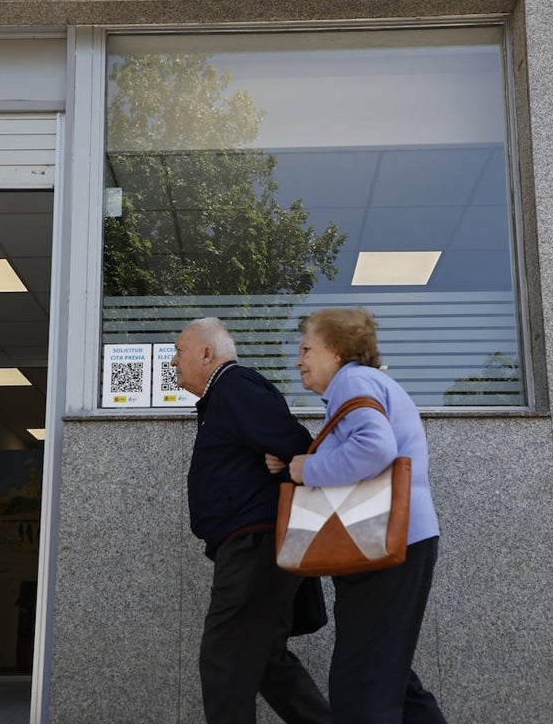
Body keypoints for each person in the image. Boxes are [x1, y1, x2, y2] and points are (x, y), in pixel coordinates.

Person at [267, 307, 446, 724]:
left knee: (361, 687)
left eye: (307, 348)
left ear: (337, 351)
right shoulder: (369, 384)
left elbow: (374, 448)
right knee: (391, 677)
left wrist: (303, 470)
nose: (299, 360)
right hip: (400, 540)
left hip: (384, 543)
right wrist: (300, 460)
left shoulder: (353, 380)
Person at [172, 317, 332, 724]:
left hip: (255, 543)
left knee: (225, 655)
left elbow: (296, 443)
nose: (173, 361)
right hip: (254, 543)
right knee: (264, 660)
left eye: (179, 350)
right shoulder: (223, 394)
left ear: (207, 353)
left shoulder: (234, 385)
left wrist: (285, 462)